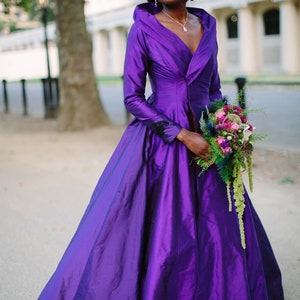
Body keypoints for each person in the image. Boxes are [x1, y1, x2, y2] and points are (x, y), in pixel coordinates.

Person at [39, 1, 284, 299]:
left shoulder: (207, 26)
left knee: (220, 224)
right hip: (162, 141)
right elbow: (132, 97)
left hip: (209, 141)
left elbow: (214, 88)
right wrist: (181, 134)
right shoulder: (143, 28)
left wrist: (226, 126)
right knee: (165, 230)